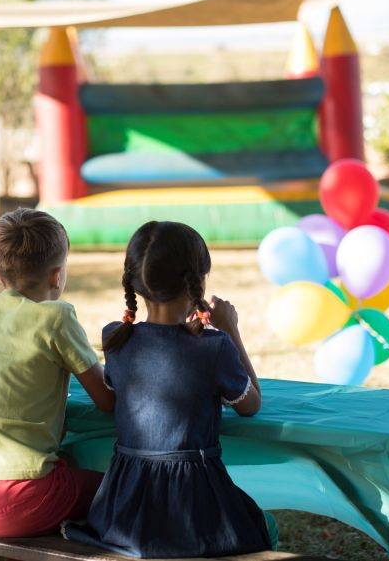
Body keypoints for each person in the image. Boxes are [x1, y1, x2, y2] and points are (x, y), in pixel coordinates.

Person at [62, 220, 276, 557]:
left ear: (134, 282)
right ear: (198, 280)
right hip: (194, 505)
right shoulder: (214, 346)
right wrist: (230, 329)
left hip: (123, 507)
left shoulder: (115, 338)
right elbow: (251, 404)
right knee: (264, 525)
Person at [0, 207, 115, 537]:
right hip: (21, 502)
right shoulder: (57, 317)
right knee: (125, 485)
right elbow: (106, 400)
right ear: (57, 275)